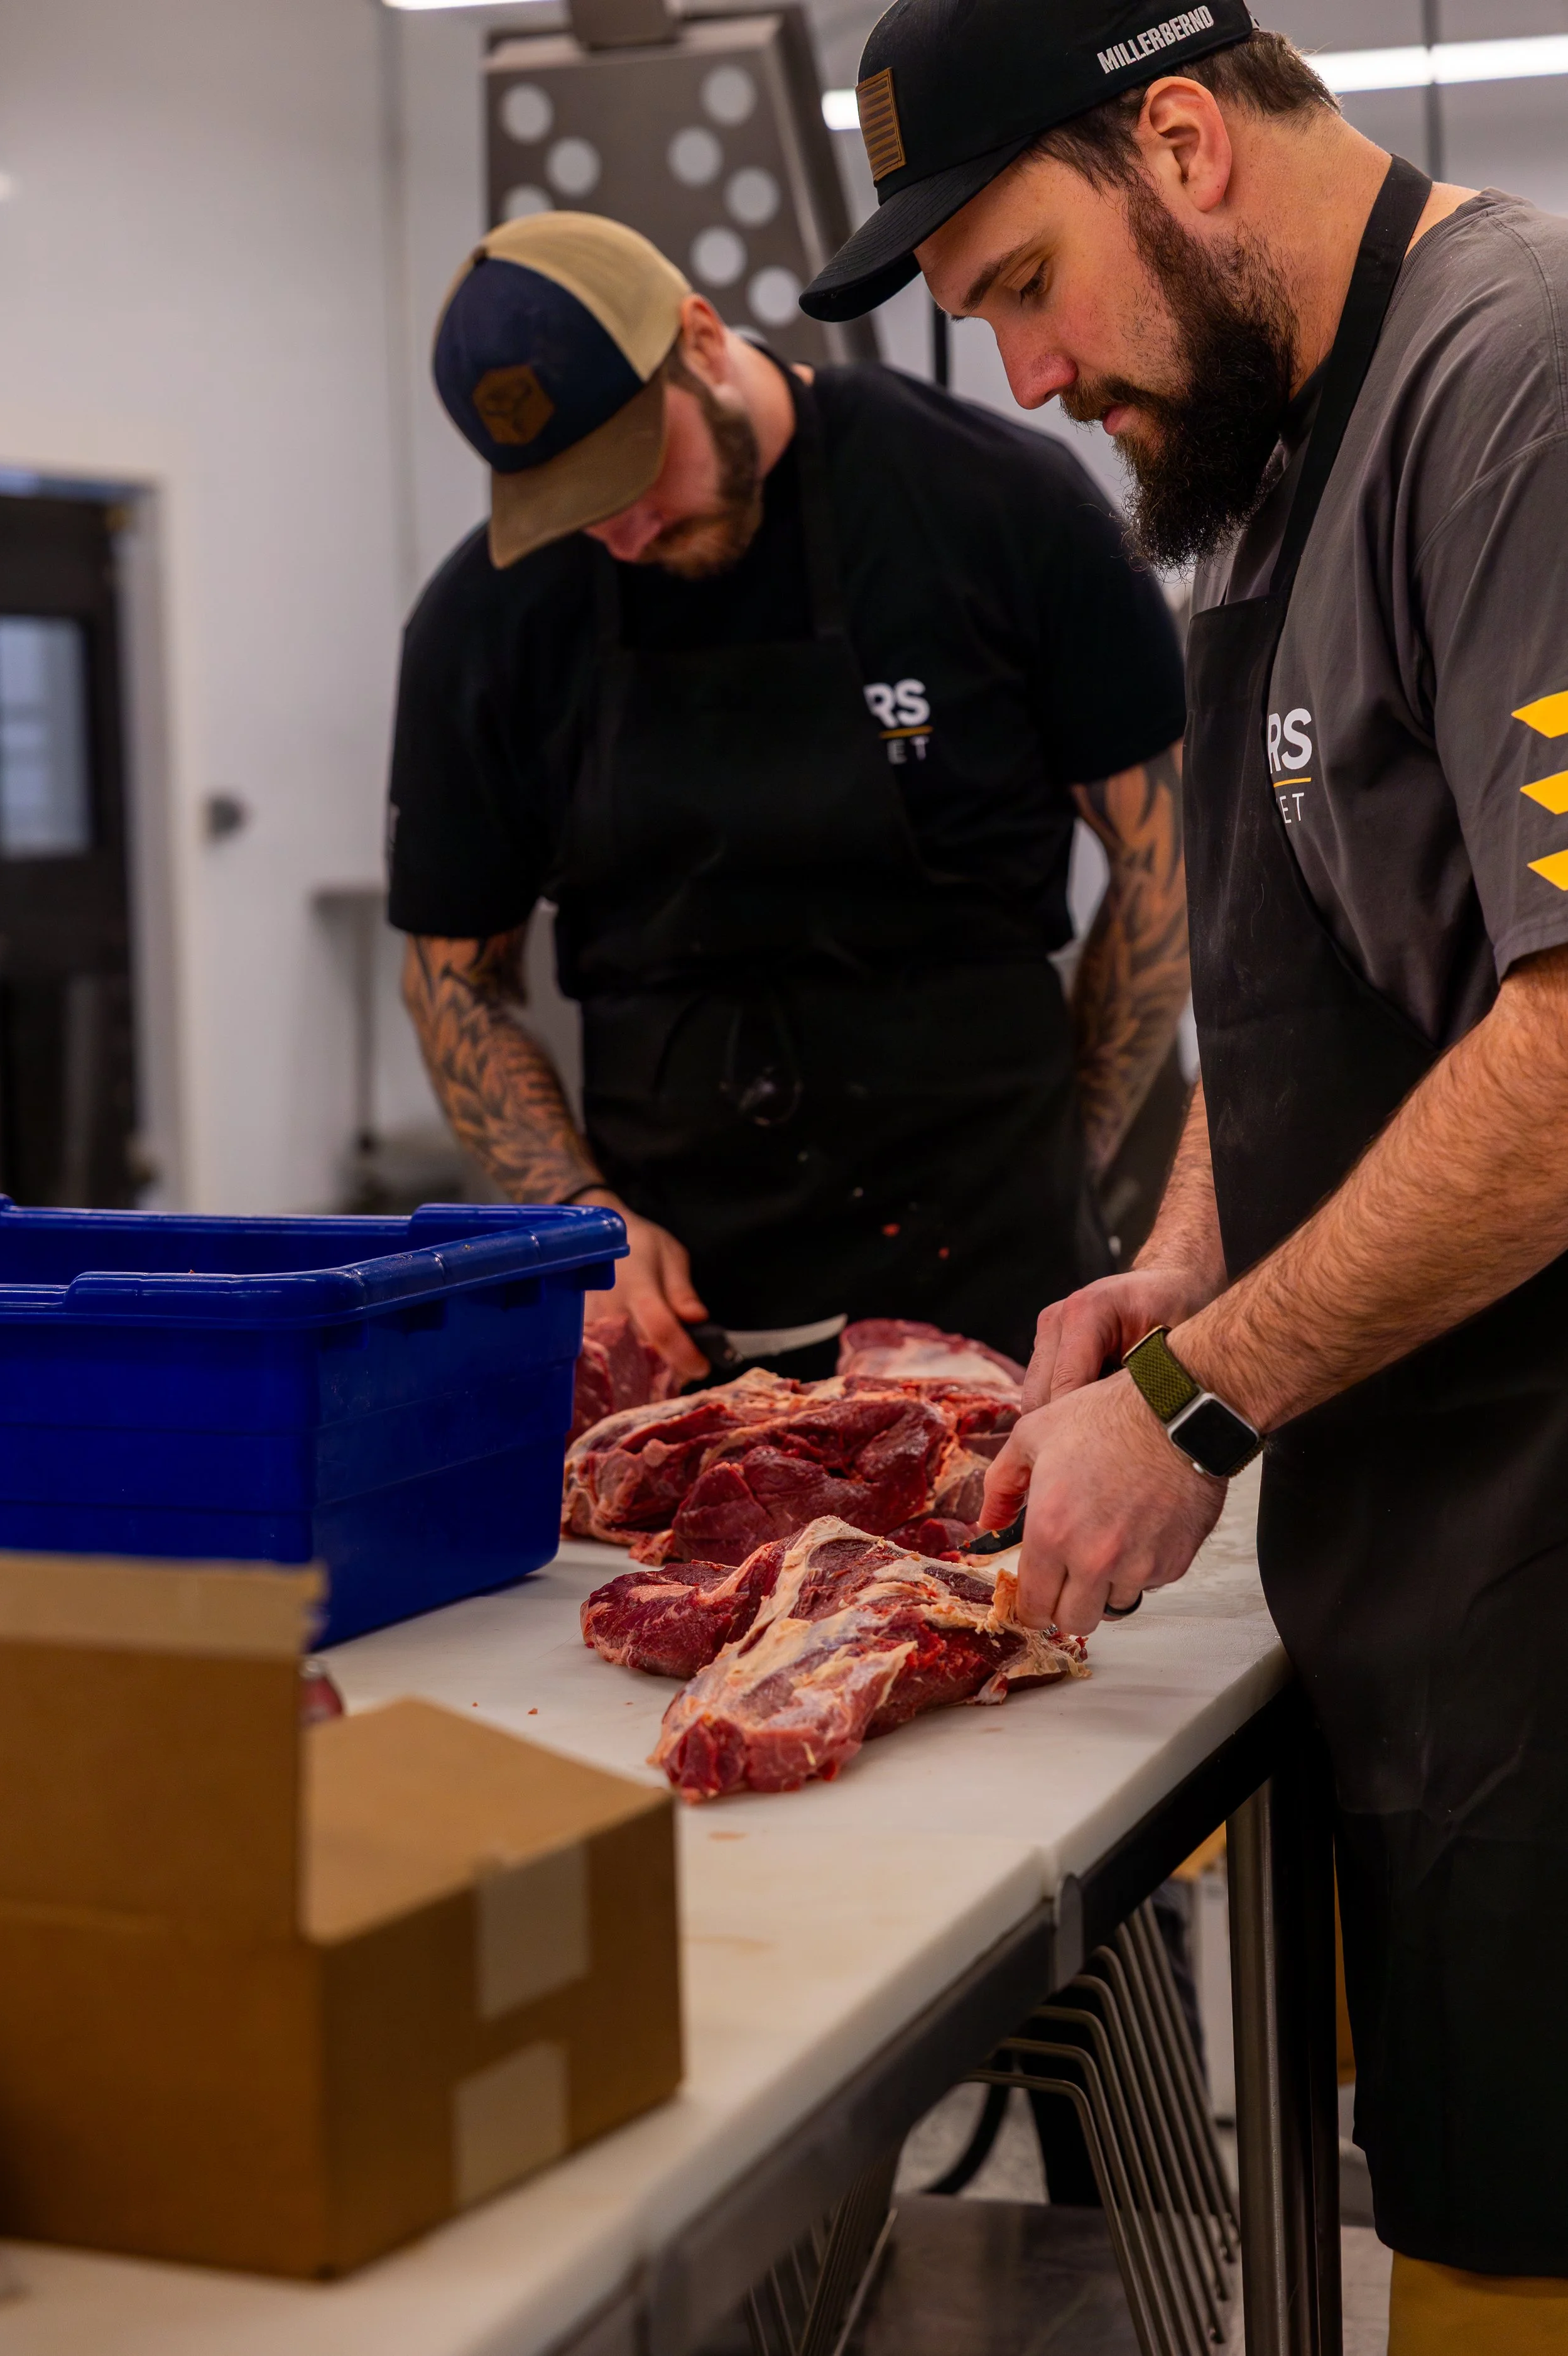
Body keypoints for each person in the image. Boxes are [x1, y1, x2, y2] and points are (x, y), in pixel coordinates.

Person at [804, 0, 1568, 2342]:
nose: (1025, 377)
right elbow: (1304, 971)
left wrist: (1207, 1400)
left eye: (1028, 282)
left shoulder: (1510, 393)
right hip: (1429, 1554)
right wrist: (1181, 1269)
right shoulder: (1257, 462)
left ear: (1177, 145)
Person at [387, 212, 1187, 1383]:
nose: (622, 528)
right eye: (572, 502)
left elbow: (1170, 867)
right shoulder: (486, 622)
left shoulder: (1000, 508)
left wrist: (1072, 1149)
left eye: (635, 468)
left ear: (701, 338)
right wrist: (575, 1214)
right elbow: (451, 980)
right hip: (678, 1323)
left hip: (994, 1291)